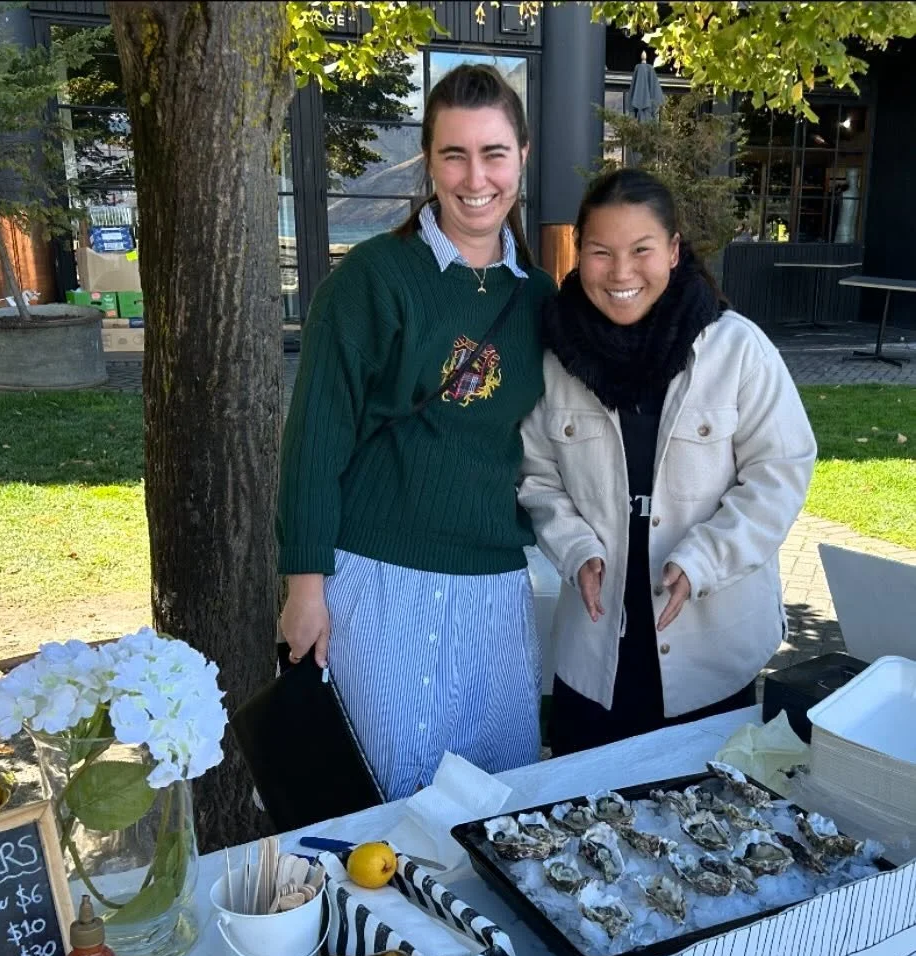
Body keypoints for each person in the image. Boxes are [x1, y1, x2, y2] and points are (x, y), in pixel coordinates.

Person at [276, 64, 555, 800]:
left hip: (494, 586)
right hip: (381, 577)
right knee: (383, 803)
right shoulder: (374, 279)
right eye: (453, 155)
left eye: (493, 153)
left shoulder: (540, 300)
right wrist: (306, 588)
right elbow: (314, 442)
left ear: (522, 155)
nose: (475, 178)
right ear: (428, 162)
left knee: (497, 803)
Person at [518, 169, 816, 756]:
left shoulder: (737, 349)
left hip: (711, 656)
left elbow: (780, 470)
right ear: (580, 253)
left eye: (641, 250)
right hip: (595, 653)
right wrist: (575, 547)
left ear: (674, 251)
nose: (622, 272)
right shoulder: (556, 361)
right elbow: (537, 476)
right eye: (602, 252)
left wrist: (706, 557)